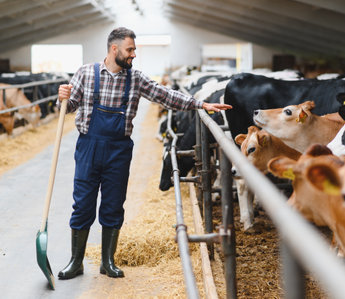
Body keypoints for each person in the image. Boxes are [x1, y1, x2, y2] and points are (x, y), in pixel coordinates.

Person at [57, 27, 232, 279]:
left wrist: (201, 104)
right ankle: (76, 262)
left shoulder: (135, 79)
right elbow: (69, 106)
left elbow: (167, 96)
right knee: (83, 204)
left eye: (134, 50)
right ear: (114, 49)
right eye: (130, 50)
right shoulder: (86, 73)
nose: (133, 55)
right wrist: (63, 96)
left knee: (113, 205)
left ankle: (108, 261)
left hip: (119, 150)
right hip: (89, 147)